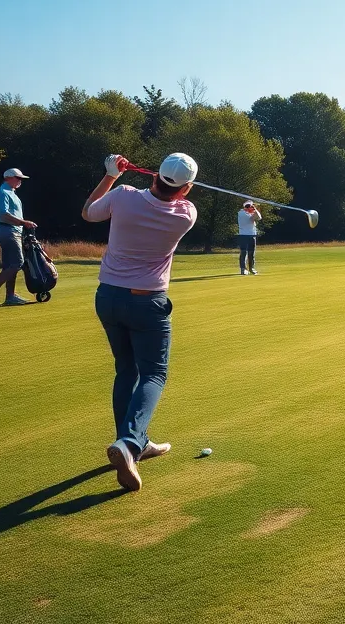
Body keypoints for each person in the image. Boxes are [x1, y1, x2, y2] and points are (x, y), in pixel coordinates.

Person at [82, 152, 198, 492]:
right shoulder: (185, 214)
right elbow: (174, 198)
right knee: (154, 374)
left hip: (108, 297)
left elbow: (89, 212)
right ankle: (130, 442)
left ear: (153, 176)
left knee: (126, 370)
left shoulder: (123, 196)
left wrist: (110, 175)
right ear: (186, 189)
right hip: (147, 302)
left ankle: (133, 443)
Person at [0, 168, 36, 306]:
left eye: (21, 179)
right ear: (8, 178)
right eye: (18, 178)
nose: (20, 181)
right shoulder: (2, 193)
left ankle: (10, 297)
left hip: (12, 230)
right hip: (7, 230)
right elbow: (3, 215)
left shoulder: (12, 193)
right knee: (17, 263)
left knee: (10, 265)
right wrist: (24, 223)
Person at [237, 201, 263, 275]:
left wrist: (255, 210)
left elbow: (259, 217)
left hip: (252, 235)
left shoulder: (250, 213)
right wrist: (253, 211)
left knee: (251, 253)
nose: (252, 209)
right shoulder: (241, 213)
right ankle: (243, 269)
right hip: (243, 235)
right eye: (251, 207)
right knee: (243, 252)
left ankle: (251, 268)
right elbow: (252, 218)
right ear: (247, 207)